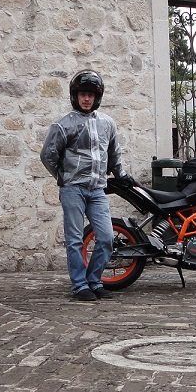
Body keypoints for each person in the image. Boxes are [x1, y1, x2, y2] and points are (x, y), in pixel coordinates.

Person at [40, 70, 136, 302]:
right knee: (74, 239)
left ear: (97, 97)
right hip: (72, 189)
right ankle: (80, 285)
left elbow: (114, 153)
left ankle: (94, 280)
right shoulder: (63, 125)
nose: (86, 99)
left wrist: (121, 174)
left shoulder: (107, 124)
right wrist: (62, 178)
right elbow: (48, 155)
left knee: (105, 238)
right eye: (82, 94)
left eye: (91, 95)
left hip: (97, 190)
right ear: (75, 95)